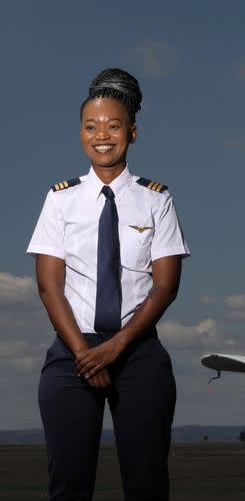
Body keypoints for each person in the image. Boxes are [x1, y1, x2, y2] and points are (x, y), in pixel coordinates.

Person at [27, 68, 190, 500]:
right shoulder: (60, 199)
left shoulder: (157, 199)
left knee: (147, 485)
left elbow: (165, 287)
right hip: (71, 352)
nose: (102, 135)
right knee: (68, 486)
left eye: (114, 125)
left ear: (132, 133)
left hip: (136, 351)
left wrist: (115, 350)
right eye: (91, 125)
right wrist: (85, 356)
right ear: (80, 133)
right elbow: (49, 287)